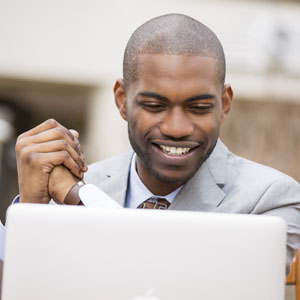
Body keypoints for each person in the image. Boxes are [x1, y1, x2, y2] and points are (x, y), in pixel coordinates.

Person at [0, 14, 299, 275]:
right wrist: (32, 211)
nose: (176, 129)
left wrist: (80, 198)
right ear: (121, 101)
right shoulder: (70, 189)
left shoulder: (272, 199)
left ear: (224, 104)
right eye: (155, 105)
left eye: (198, 107)